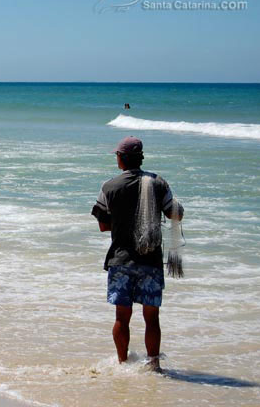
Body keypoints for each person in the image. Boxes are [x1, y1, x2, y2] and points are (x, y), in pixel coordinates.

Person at [91, 136, 183, 372]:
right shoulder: (158, 183)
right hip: (150, 261)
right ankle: (154, 366)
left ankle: (122, 364)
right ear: (140, 158)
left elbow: (103, 226)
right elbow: (175, 213)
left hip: (120, 260)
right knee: (151, 318)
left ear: (121, 158)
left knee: (122, 317)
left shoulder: (109, 186)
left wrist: (124, 225)